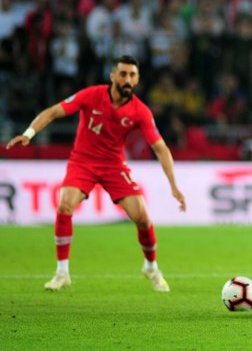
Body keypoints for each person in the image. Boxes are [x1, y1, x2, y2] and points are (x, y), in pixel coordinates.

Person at [5, 55, 186, 292]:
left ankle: (151, 267)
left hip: (114, 166)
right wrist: (29, 134)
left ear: (138, 79)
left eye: (132, 75)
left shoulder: (140, 111)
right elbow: (52, 112)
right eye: (122, 74)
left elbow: (161, 148)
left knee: (142, 217)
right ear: (112, 76)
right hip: (83, 162)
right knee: (65, 205)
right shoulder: (91, 95)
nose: (127, 79)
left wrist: (174, 186)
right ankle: (62, 273)